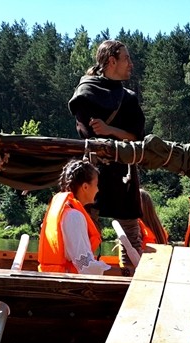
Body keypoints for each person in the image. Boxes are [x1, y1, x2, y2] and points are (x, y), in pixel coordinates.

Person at [68, 39, 146, 275]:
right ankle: (90, 279)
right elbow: (88, 134)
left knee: (130, 232)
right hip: (94, 171)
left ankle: (130, 280)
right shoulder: (86, 94)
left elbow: (137, 136)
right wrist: (112, 135)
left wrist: (110, 130)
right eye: (126, 58)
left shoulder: (128, 98)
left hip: (123, 171)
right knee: (88, 229)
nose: (131, 64)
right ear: (112, 61)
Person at [37, 158, 110, 275]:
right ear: (85, 187)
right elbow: (86, 267)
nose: (97, 189)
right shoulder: (74, 217)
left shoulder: (64, 211)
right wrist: (106, 268)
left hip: (54, 279)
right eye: (96, 185)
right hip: (66, 282)